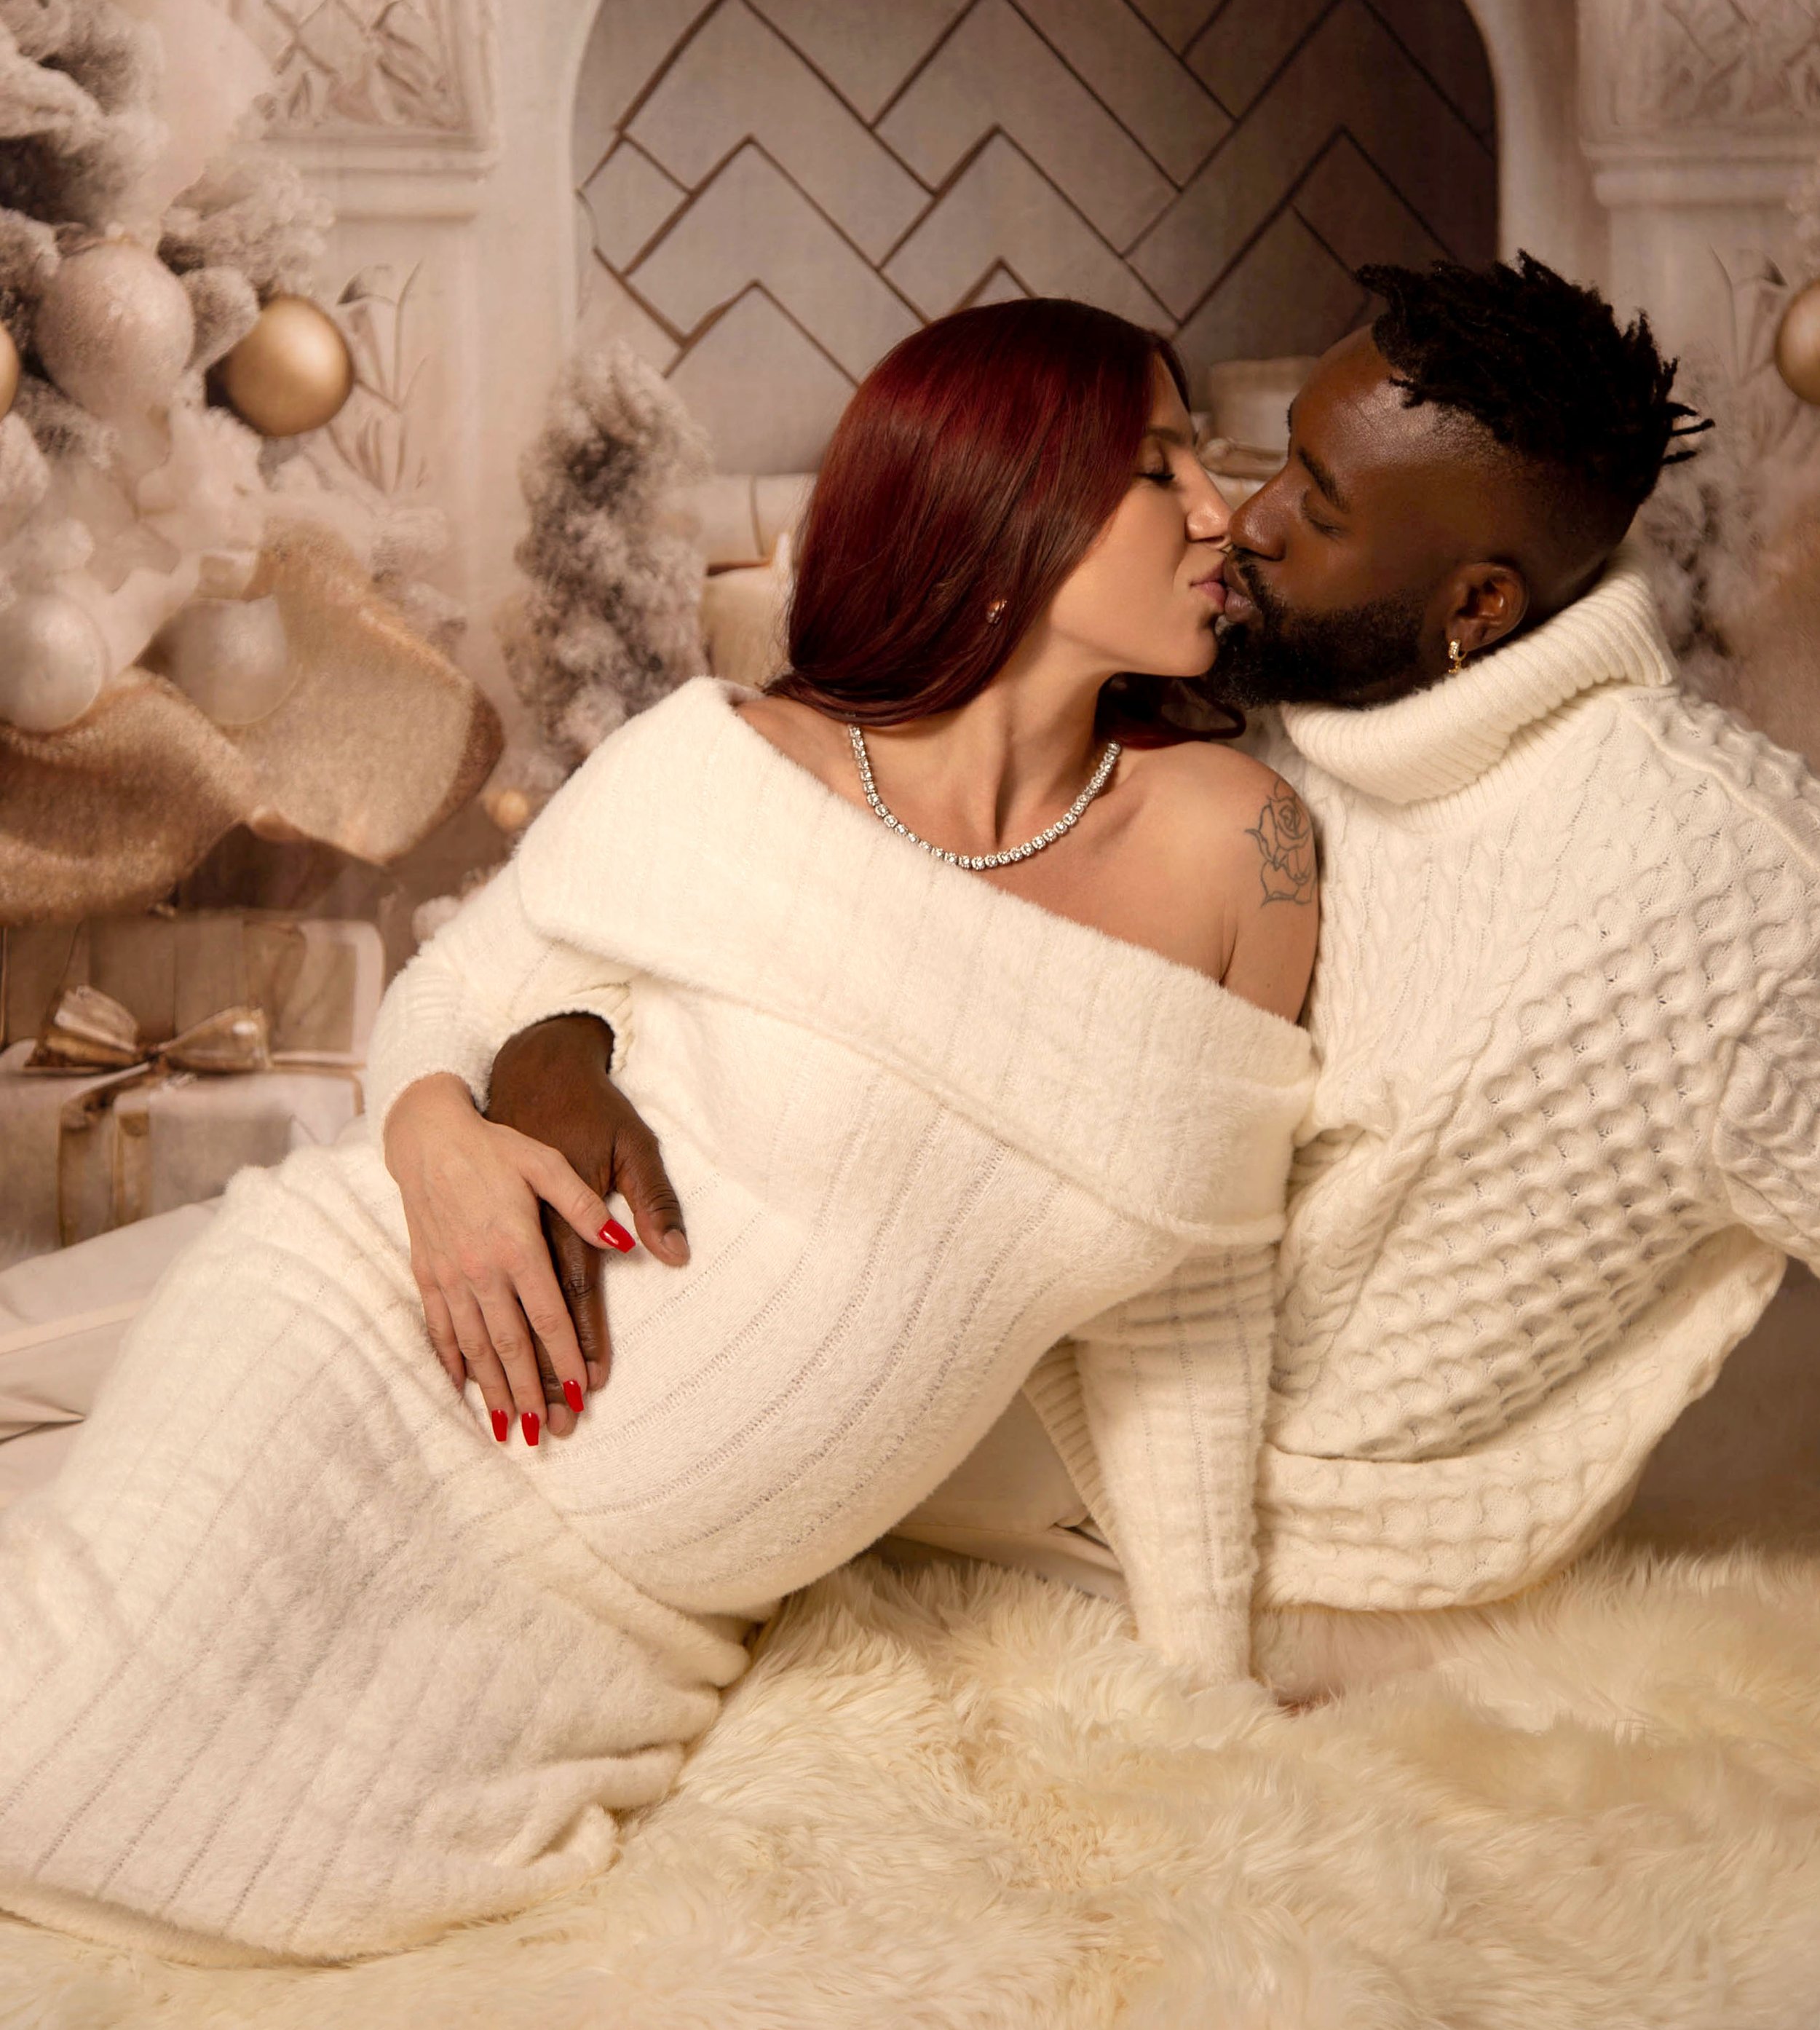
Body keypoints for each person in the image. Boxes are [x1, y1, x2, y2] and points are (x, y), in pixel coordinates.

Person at [0, 300, 1318, 1962]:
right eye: (1156, 468)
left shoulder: (1238, 850)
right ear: (1006, 507)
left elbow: (1191, 1301)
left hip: (621, 1620)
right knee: (38, 1737)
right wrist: (432, 1137)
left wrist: (1208, 1685)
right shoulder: (730, 765)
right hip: (353, 1357)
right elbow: (455, 992)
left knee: (320, 1902)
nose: (1218, 510)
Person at [450, 255, 1820, 1637]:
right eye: (1252, 460)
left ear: (1478, 609)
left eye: (1315, 506)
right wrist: (522, 1056)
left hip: (1262, 1571)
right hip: (778, 1467)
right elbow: (635, 920)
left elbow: (1184, 1284)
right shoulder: (1255, 685)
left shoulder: (1731, 885)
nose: (1242, 523)